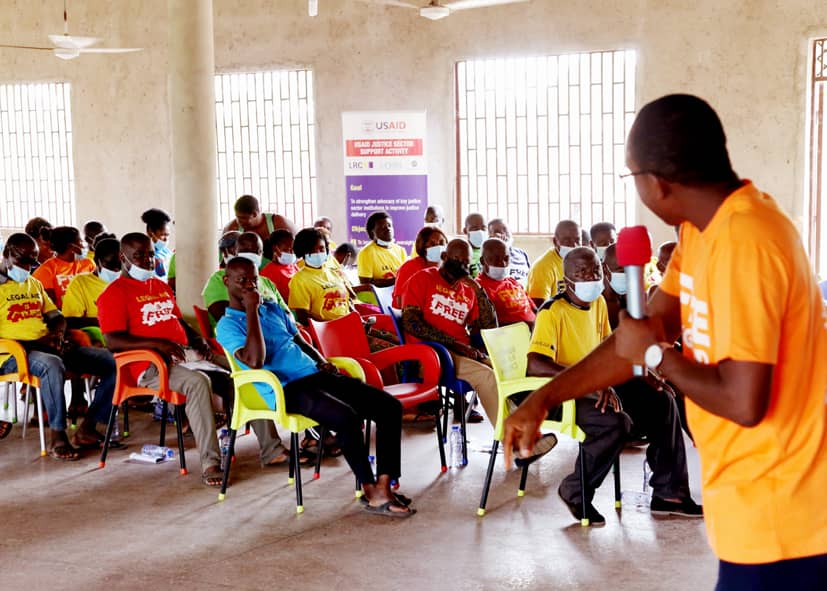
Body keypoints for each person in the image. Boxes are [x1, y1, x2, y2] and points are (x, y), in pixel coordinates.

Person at [505, 94, 827, 588]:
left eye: (631, 175)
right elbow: (637, 336)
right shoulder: (702, 233)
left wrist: (657, 356)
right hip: (748, 498)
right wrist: (545, 397)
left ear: (655, 181)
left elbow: (744, 402)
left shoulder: (748, 240)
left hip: (786, 512)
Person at [216, 257, 414, 517]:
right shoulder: (227, 325)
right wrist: (251, 310)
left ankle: (384, 484)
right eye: (242, 281)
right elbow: (255, 360)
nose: (250, 286)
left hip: (314, 375)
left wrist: (321, 361)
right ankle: (371, 490)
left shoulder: (273, 309)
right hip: (284, 388)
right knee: (346, 417)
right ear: (227, 281)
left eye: (254, 279)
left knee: (389, 407)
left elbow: (299, 340)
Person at [98, 233, 229, 485]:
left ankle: (271, 448)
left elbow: (177, 320)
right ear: (123, 258)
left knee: (240, 369)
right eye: (139, 256)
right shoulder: (114, 293)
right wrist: (158, 344)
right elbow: (112, 341)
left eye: (150, 254)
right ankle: (211, 462)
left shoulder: (159, 286)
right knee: (198, 383)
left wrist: (198, 339)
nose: (148, 260)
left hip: (183, 353)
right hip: (149, 363)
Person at [521, 246, 629, 524]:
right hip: (558, 394)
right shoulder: (551, 311)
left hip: (588, 387)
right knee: (614, 424)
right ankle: (575, 491)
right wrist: (588, 380)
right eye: (582, 272)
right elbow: (535, 364)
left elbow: (606, 349)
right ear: (567, 278)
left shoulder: (599, 303)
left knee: (654, 403)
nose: (591, 277)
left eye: (595, 270)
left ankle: (669, 491)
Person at [598, 244, 703, 517]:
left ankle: (673, 485)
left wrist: (652, 373)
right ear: (605, 270)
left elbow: (645, 343)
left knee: (671, 390)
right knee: (664, 400)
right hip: (604, 381)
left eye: (631, 270)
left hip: (629, 374)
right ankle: (670, 489)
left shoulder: (635, 299)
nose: (627, 275)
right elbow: (602, 355)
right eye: (620, 269)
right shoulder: (597, 303)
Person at [0, 233, 116, 459]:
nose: (28, 268)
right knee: (51, 364)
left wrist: (58, 336)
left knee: (113, 362)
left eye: (32, 262)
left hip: (48, 345)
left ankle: (88, 427)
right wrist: (40, 344)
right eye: (23, 261)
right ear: (6, 254)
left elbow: (57, 317)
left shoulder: (33, 283)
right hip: (13, 353)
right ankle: (58, 436)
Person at [401, 239, 497, 425]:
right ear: (444, 257)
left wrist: (478, 290)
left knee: (504, 370)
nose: (462, 266)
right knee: (487, 376)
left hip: (462, 352)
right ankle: (514, 437)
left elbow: (489, 325)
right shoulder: (423, 279)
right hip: (431, 354)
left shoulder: (468, 289)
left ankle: (525, 428)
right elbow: (410, 322)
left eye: (466, 263)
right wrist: (454, 344)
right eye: (457, 260)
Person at [202, 232, 287, 326]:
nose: (250, 254)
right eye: (245, 250)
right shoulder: (219, 278)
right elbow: (224, 316)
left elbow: (286, 313)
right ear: (236, 252)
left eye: (256, 251)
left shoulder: (267, 282)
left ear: (261, 254)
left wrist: (289, 326)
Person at [289, 228, 356, 325]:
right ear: (303, 252)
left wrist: (357, 319)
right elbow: (303, 317)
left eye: (321, 249)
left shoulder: (334, 273)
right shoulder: (299, 280)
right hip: (325, 329)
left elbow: (347, 302)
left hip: (349, 323)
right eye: (311, 250)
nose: (318, 253)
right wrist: (331, 325)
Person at [62, 237, 122, 341]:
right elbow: (70, 321)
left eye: (120, 265)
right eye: (111, 265)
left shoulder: (128, 281)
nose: (116, 270)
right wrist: (102, 321)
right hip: (98, 336)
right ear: (97, 261)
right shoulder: (80, 283)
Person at [31, 226, 96, 309]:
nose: (84, 246)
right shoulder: (46, 271)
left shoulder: (88, 263)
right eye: (81, 242)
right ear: (71, 247)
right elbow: (49, 306)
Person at [477, 238, 536, 329]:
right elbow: (487, 324)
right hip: (509, 334)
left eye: (506, 259)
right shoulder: (478, 287)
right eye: (496, 259)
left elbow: (534, 309)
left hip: (535, 330)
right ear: (482, 261)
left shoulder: (513, 282)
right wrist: (525, 326)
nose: (503, 264)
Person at [526, 220, 581, 307]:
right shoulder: (543, 267)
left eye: (577, 240)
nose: (574, 245)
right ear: (555, 241)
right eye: (567, 240)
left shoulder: (580, 261)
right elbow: (539, 306)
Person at [392, 226, 448, 308]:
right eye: (432, 244)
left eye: (442, 243)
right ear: (423, 247)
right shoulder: (409, 267)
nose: (438, 247)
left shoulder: (448, 268)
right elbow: (399, 302)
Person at [222, 195, 298, 252]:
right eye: (237, 217)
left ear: (254, 214)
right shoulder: (231, 228)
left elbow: (298, 246)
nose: (239, 221)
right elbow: (224, 256)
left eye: (243, 218)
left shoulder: (279, 223)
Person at [357, 211, 407, 287]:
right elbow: (366, 284)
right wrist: (397, 280)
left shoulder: (401, 251)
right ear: (372, 232)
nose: (388, 229)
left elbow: (407, 277)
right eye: (383, 227)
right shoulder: (366, 252)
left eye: (389, 225)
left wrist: (381, 281)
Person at [488, 218, 531, 286]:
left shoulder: (521, 253)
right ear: (490, 237)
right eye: (497, 232)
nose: (503, 234)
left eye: (505, 230)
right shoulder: (488, 257)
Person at [261, 229, 299, 302]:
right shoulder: (268, 273)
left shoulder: (293, 266)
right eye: (287, 250)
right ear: (275, 249)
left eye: (293, 250)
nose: (292, 253)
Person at [141, 208, 174, 282]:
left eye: (167, 235)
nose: (166, 239)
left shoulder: (167, 252)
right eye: (163, 235)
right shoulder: (144, 255)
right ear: (150, 232)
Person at [463, 213, 487, 278]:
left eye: (483, 228)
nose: (480, 232)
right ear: (465, 231)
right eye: (475, 228)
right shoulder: (461, 253)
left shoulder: (490, 251)